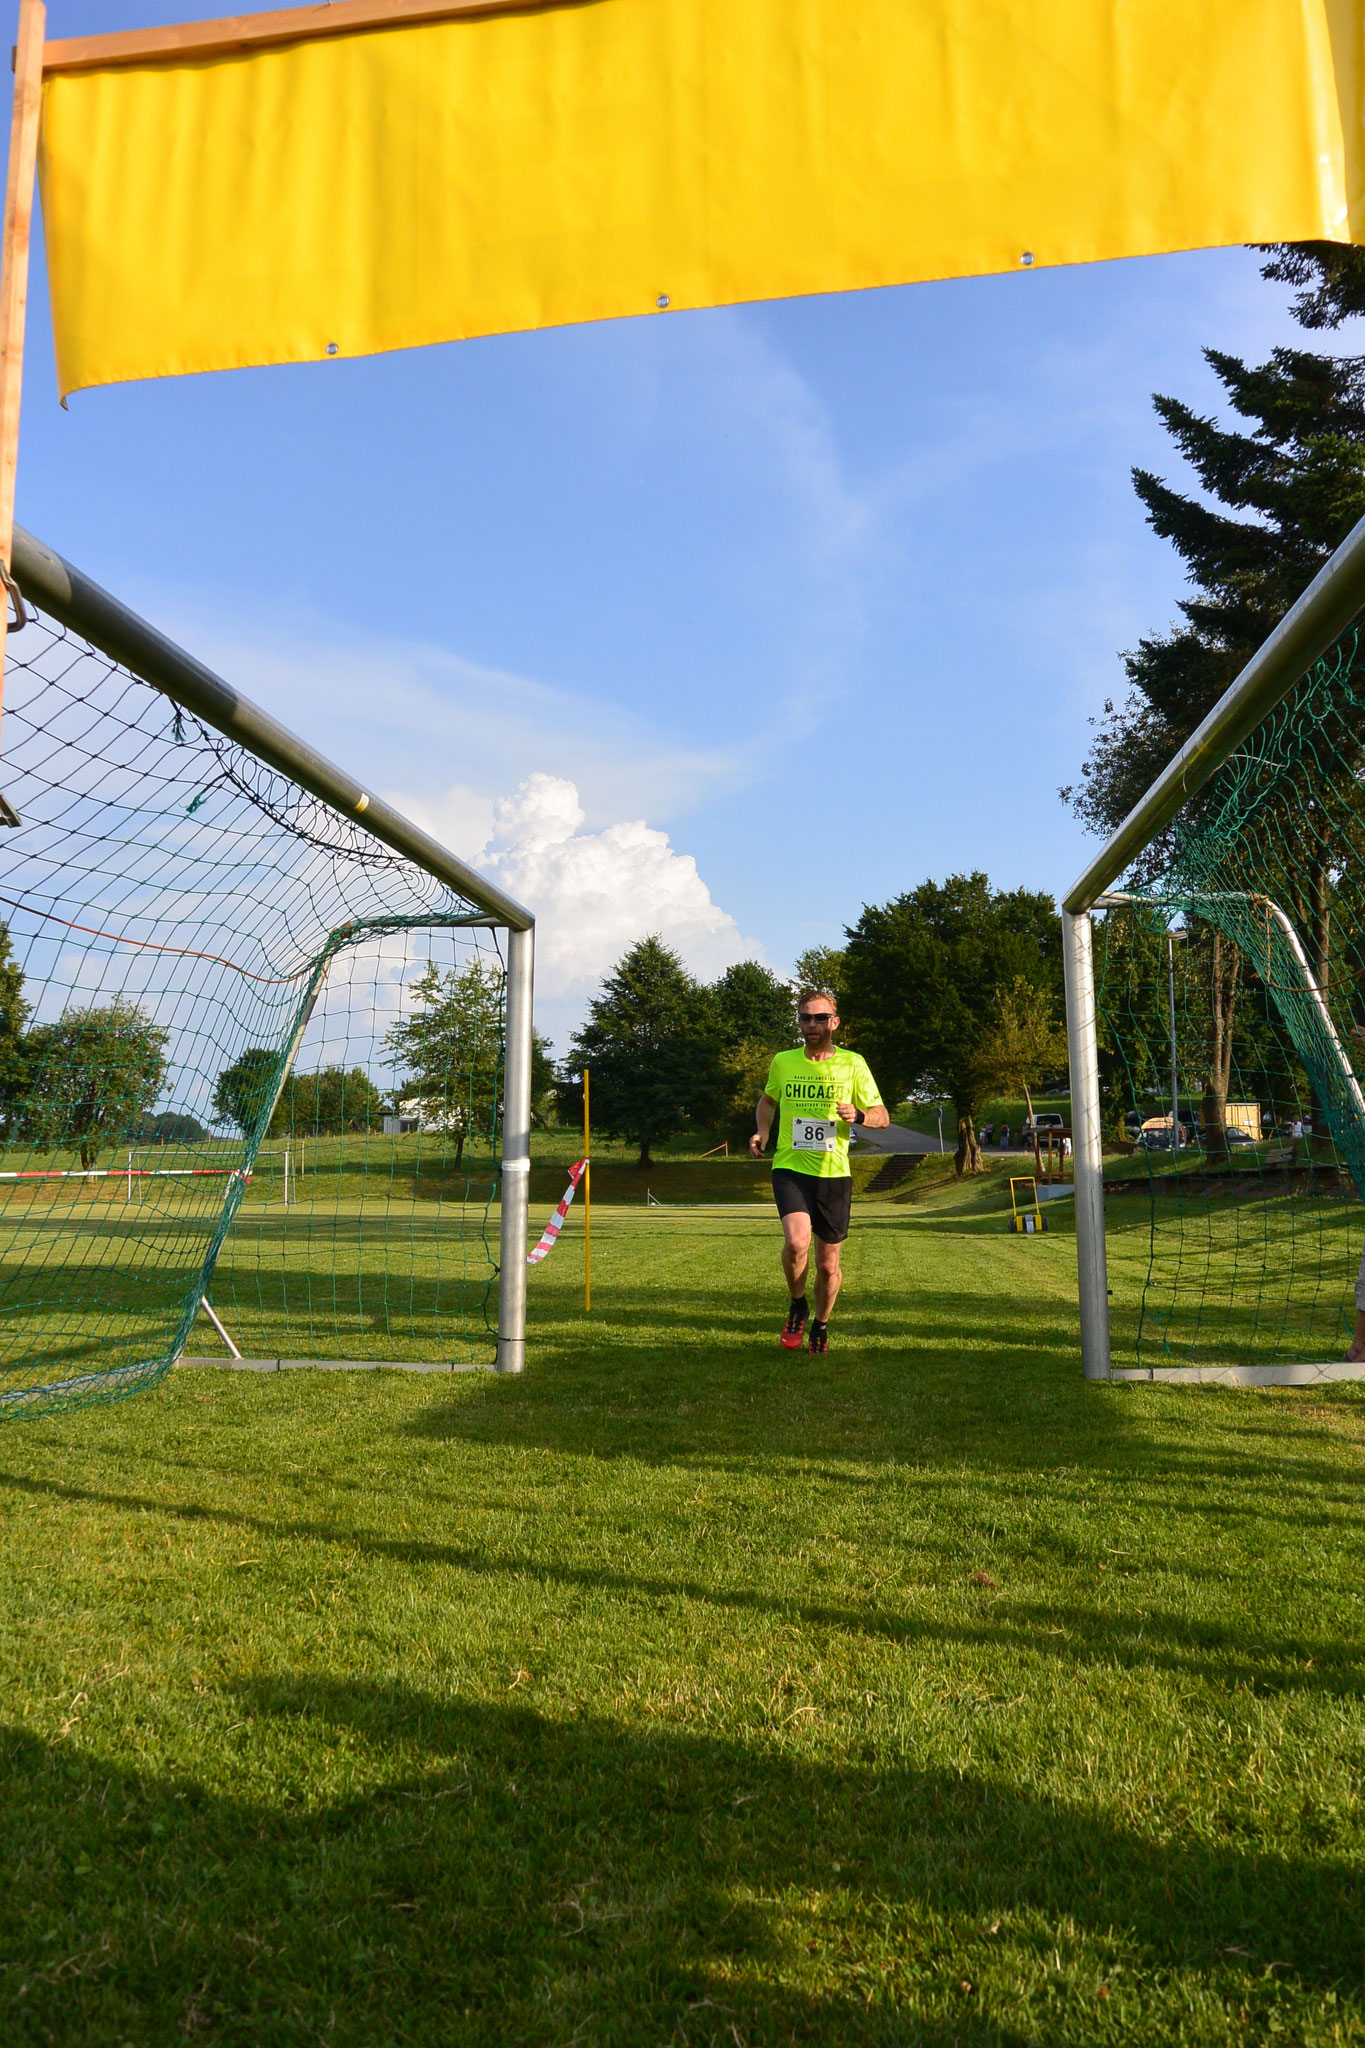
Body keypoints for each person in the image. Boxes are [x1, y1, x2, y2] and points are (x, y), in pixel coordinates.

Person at [750, 989, 889, 1354]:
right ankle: (798, 1306)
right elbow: (768, 1100)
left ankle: (821, 1325)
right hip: (790, 1168)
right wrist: (763, 1132)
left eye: (820, 1018)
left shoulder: (853, 1064)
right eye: (805, 1018)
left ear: (834, 1022)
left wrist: (858, 1116)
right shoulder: (783, 1061)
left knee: (828, 1266)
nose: (811, 1024)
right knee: (796, 1243)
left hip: (833, 1173)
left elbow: (881, 1116)